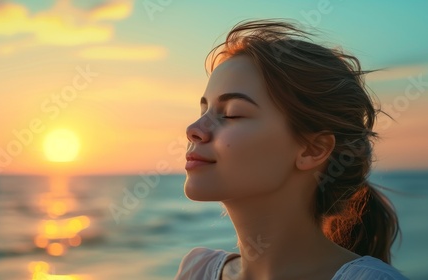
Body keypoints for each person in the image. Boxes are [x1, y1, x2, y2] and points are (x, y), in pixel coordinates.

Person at [175, 19, 409, 280]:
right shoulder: (197, 271)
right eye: (203, 110)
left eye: (231, 114)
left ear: (313, 149)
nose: (194, 128)